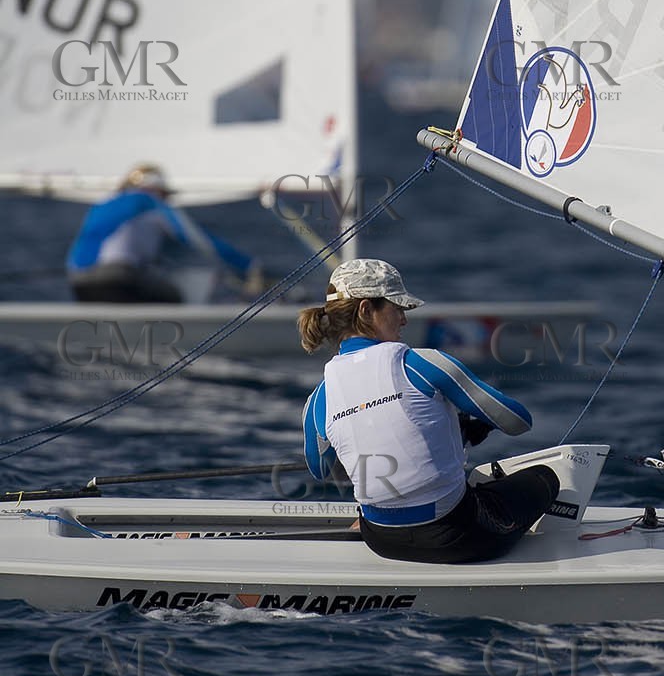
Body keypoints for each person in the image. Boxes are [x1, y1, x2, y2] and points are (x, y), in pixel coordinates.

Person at [300, 259, 560, 564]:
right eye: (397, 308)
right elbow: (518, 421)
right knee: (546, 478)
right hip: (454, 537)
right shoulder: (423, 363)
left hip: (381, 541)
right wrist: (473, 425)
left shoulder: (319, 397)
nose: (404, 320)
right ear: (366, 311)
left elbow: (321, 470)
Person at [66, 163, 261, 303]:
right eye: (165, 194)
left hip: (78, 282)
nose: (167, 200)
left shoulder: (102, 203)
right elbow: (202, 242)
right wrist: (249, 267)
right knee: (181, 291)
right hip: (117, 280)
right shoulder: (150, 202)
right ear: (157, 189)